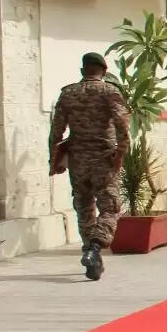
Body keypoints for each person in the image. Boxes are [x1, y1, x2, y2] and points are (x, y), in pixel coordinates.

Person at [49, 51, 130, 281]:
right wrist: (121, 155)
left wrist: (53, 161)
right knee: (110, 208)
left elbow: (55, 132)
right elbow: (122, 126)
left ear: (83, 71)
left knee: (84, 206)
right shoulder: (109, 92)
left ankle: (90, 255)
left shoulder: (68, 93)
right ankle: (95, 247)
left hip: (78, 161)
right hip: (103, 159)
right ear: (104, 71)